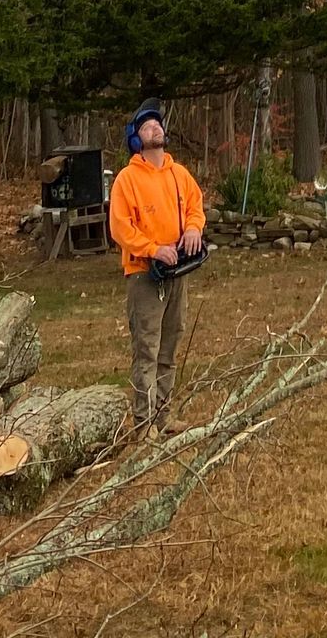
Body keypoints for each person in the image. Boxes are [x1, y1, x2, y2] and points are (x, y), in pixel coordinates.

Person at [108, 99, 205, 432]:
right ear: (136, 139)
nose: (155, 127)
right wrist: (153, 249)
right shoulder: (127, 179)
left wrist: (193, 228)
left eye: (157, 124)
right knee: (146, 350)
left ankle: (163, 417)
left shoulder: (179, 174)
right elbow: (120, 228)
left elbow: (196, 206)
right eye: (147, 125)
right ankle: (143, 422)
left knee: (169, 346)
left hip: (178, 273)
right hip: (144, 274)